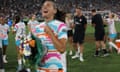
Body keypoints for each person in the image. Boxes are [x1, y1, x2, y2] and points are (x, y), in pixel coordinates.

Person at [32, 0, 67, 72]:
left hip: (57, 69)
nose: (44, 7)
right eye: (43, 6)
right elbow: (35, 49)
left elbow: (62, 49)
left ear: (54, 11)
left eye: (48, 5)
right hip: (40, 69)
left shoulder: (61, 26)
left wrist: (50, 33)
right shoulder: (37, 28)